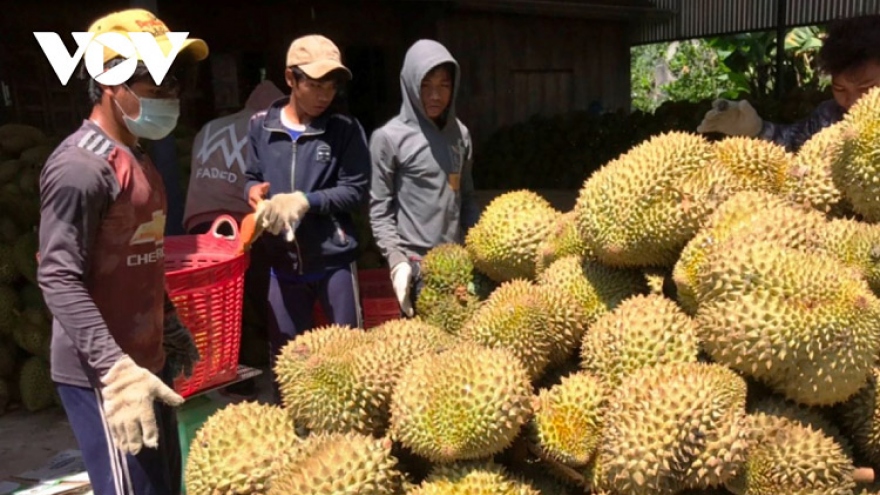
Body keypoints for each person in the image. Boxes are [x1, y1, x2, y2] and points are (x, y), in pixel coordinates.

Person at [37, 8, 207, 494]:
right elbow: (57, 276)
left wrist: (167, 324)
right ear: (111, 83)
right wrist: (116, 371)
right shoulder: (80, 168)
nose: (170, 97)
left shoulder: (138, 157)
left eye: (174, 84)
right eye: (155, 85)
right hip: (105, 376)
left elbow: (142, 259)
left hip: (147, 364)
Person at [244, 35, 370, 389]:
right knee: (287, 365)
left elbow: (355, 190)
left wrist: (305, 201)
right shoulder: (260, 125)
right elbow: (251, 176)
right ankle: (291, 435)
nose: (324, 95)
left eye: (330, 86)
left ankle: (350, 440)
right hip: (281, 263)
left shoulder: (345, 129)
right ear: (290, 79)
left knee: (350, 361)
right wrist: (253, 192)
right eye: (314, 85)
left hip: (333, 261)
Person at [183, 80, 283, 400]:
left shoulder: (209, 128)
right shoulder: (263, 127)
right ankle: (276, 366)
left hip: (198, 224)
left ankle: (222, 372)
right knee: (257, 297)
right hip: (238, 225)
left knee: (220, 304)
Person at [368, 39, 480, 317]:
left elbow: (466, 196)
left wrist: (477, 247)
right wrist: (396, 261)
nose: (435, 95)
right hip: (416, 266)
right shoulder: (389, 138)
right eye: (426, 85)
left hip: (457, 263)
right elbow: (379, 210)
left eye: (444, 85)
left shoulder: (460, 135)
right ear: (410, 85)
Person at [697, 14, 880, 152]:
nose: (852, 100)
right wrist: (757, 129)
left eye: (866, 88)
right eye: (840, 89)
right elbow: (792, 142)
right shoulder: (829, 116)